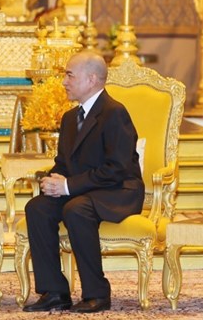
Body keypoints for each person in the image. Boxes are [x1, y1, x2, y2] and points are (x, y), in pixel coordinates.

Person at [23, 51, 144, 314]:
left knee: (76, 208)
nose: (64, 81)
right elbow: (64, 164)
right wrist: (53, 180)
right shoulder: (69, 118)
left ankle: (97, 293)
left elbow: (117, 168)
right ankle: (55, 291)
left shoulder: (114, 113)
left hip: (118, 190)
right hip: (84, 189)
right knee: (38, 207)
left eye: (69, 75)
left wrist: (67, 186)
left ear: (91, 79)